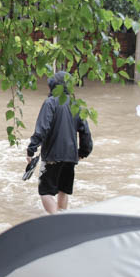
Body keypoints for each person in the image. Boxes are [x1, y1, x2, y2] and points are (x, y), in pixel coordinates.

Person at [26, 71, 93, 214]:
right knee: (64, 190)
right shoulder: (76, 105)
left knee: (45, 192)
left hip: (52, 156)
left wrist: (31, 149)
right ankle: (63, 220)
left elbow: (42, 128)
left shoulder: (50, 102)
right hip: (70, 157)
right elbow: (85, 132)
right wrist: (83, 152)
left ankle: (55, 220)